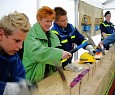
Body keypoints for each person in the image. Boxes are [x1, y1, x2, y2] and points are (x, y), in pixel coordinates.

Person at [22, 6, 72, 83]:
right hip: (32, 79)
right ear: (38, 19)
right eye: (47, 21)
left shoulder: (52, 35)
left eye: (51, 21)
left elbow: (58, 49)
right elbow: (37, 51)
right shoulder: (30, 34)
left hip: (48, 77)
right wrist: (59, 54)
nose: (49, 24)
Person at [0, 12, 32, 95]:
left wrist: (22, 86)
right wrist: (6, 89)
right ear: (1, 34)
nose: (20, 46)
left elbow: (19, 78)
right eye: (17, 41)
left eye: (22, 42)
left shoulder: (14, 58)